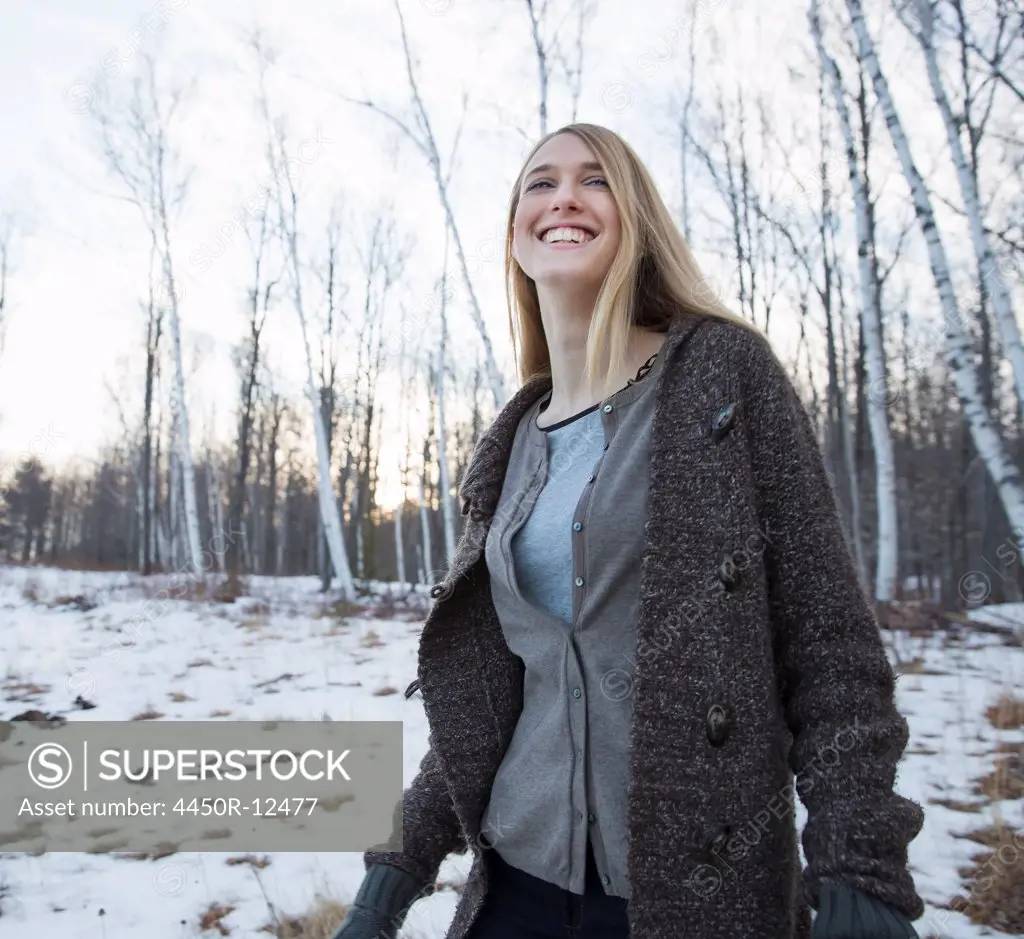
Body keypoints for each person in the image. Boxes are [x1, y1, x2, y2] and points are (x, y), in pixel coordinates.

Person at [332, 123, 924, 939]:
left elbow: (831, 650)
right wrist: (389, 880)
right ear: (515, 231)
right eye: (540, 183)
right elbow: (492, 707)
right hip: (514, 895)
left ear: (636, 219)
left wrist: (862, 873)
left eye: (595, 180)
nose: (564, 196)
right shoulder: (510, 443)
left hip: (699, 897)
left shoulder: (723, 376)